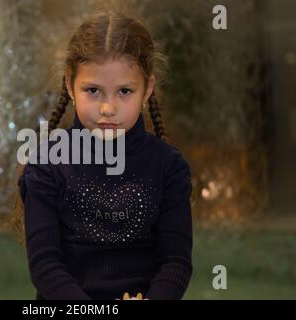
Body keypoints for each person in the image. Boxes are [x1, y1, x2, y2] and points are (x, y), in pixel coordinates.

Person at [12, 11, 193, 300]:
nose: (108, 108)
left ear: (147, 90)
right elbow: (45, 266)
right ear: (70, 85)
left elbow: (176, 263)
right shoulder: (47, 165)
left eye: (124, 91)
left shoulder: (168, 167)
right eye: (93, 90)